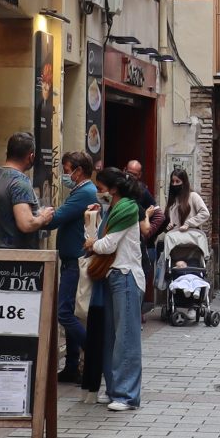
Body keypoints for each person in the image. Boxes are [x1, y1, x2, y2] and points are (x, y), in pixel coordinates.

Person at [89, 169, 147, 409]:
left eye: (100, 187)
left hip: (126, 276)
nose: (97, 192)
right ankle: (114, 389)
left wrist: (92, 243)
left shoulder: (127, 209)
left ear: (113, 189)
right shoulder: (113, 209)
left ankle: (127, 395)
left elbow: (107, 244)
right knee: (112, 336)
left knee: (126, 338)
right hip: (115, 276)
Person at [50, 152, 101, 385]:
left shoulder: (84, 194)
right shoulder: (82, 192)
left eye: (67, 169)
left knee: (64, 313)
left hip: (75, 262)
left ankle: (93, 350)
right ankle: (71, 366)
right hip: (70, 260)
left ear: (78, 171)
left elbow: (57, 218)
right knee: (69, 312)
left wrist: (38, 216)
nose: (64, 174)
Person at [0, 133, 54, 248]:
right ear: (31, 156)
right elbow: (26, 224)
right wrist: (44, 217)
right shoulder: (20, 182)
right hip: (18, 259)